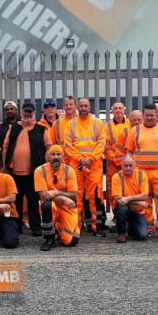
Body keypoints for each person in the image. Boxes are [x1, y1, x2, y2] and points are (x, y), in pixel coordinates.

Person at [125, 103, 158, 237]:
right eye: (147, 115)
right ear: (143, 115)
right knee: (144, 200)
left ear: (157, 115)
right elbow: (129, 152)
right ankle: (148, 226)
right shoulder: (135, 131)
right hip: (141, 171)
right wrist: (131, 171)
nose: (149, 118)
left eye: (152, 115)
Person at [2, 103, 51, 236]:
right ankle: (16, 226)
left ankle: (35, 226)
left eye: (30, 115)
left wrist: (45, 167)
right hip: (14, 172)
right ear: (22, 114)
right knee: (16, 201)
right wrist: (4, 166)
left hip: (33, 173)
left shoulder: (42, 129)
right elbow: (5, 147)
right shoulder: (13, 128)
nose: (28, 117)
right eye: (25, 114)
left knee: (33, 200)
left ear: (35, 114)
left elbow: (49, 148)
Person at [64, 98, 106, 236]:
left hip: (94, 166)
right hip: (77, 166)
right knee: (76, 195)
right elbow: (68, 145)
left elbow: (101, 143)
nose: (83, 108)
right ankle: (76, 224)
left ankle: (96, 225)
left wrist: (91, 158)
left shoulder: (98, 123)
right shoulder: (71, 124)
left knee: (96, 195)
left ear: (90, 107)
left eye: (85, 106)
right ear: (77, 107)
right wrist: (81, 159)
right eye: (81, 106)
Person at [35, 145, 79, 251]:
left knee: (71, 241)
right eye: (53, 154)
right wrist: (63, 198)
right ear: (48, 157)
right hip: (52, 207)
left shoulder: (70, 171)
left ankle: (60, 228)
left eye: (58, 154)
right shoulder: (40, 171)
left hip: (66, 208)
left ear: (62, 157)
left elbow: (73, 195)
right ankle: (49, 238)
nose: (56, 157)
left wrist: (56, 193)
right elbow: (43, 196)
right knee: (46, 205)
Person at [111, 155, 149, 243]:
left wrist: (128, 199)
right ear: (121, 165)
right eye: (126, 165)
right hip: (123, 209)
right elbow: (119, 200)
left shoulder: (141, 175)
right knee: (121, 209)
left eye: (130, 165)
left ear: (135, 165)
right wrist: (139, 203)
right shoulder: (116, 177)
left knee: (142, 236)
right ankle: (122, 233)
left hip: (137, 211)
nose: (128, 168)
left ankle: (131, 227)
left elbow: (145, 195)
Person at [105, 101, 130, 209]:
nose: (118, 110)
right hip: (113, 164)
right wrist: (116, 160)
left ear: (124, 110)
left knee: (128, 186)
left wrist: (126, 160)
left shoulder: (130, 123)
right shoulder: (107, 126)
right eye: (116, 108)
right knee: (113, 188)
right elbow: (106, 146)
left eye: (120, 108)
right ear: (112, 111)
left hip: (129, 163)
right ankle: (116, 213)